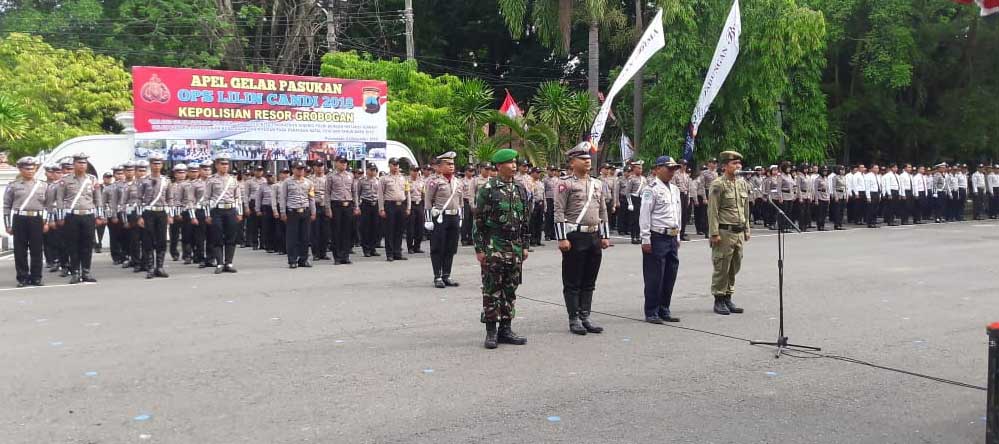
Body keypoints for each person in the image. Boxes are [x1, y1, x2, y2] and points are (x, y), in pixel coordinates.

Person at [473, 148, 530, 349]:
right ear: (499, 166)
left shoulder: (521, 189)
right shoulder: (488, 189)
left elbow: (525, 222)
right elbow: (478, 221)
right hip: (494, 246)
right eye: (509, 162)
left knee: (510, 289)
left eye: (515, 162)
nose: (514, 165)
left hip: (514, 247)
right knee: (491, 289)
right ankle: (491, 331)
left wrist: (525, 246)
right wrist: (480, 249)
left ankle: (506, 328)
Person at [554, 142, 611, 335]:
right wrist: (562, 238)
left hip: (594, 235)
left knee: (589, 278)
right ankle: (574, 318)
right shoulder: (565, 183)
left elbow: (602, 210)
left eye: (588, 159)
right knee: (573, 279)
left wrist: (605, 235)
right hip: (575, 236)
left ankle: (585, 315)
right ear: (572, 162)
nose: (588, 162)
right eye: (583, 159)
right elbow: (559, 211)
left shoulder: (597, 183)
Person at [639, 155, 683, 324]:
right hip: (657, 236)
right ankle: (651, 311)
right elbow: (644, 215)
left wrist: (678, 235)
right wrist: (645, 239)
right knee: (654, 276)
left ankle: (664, 308)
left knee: (670, 274)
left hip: (671, 236)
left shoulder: (675, 189)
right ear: (657, 169)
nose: (672, 172)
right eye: (668, 168)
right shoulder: (651, 189)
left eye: (673, 169)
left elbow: (677, 214)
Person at [707, 150, 750, 316]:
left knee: (734, 265)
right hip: (724, 231)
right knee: (722, 266)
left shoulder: (742, 183)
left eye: (739, 163)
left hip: (738, 232)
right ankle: (719, 298)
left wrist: (747, 228)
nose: (738, 166)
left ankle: (728, 296)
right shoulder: (718, 184)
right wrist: (714, 233)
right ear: (725, 166)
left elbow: (745, 208)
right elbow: (713, 210)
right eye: (734, 163)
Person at [55, 153, 105, 284]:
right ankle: (75, 272)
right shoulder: (65, 180)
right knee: (73, 245)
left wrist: (100, 215)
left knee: (87, 245)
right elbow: (60, 199)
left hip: (88, 215)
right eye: (79, 163)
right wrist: (60, 216)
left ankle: (86, 272)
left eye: (84, 163)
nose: (82, 165)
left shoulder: (92, 179)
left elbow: (98, 198)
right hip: (72, 216)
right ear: (74, 164)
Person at [5, 157, 48, 287]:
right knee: (20, 250)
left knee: (37, 250)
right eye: (27, 168)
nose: (30, 171)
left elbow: (47, 206)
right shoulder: (13, 185)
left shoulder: (43, 185)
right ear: (20, 169)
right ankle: (22, 278)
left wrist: (46, 222)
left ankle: (36, 277)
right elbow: (6, 206)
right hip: (20, 219)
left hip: (37, 219)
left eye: (32, 168)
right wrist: (8, 224)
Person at [425, 152, 464, 288]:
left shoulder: (457, 181)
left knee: (451, 247)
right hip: (440, 217)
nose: (451, 166)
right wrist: (428, 219)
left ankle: (447, 275)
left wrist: (461, 217)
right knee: (438, 247)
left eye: (453, 164)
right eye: (448, 164)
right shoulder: (433, 181)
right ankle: (438, 276)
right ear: (439, 167)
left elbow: (460, 201)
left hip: (454, 216)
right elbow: (428, 201)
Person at [204, 153, 243, 274]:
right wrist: (207, 214)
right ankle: (220, 263)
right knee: (217, 237)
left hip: (231, 210)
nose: (225, 166)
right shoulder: (211, 180)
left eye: (226, 164)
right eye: (222, 164)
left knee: (231, 237)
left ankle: (229, 263)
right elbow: (207, 198)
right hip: (217, 211)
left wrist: (239, 212)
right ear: (217, 165)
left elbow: (238, 197)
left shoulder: (233, 179)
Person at [138, 153, 171, 279]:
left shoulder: (166, 181)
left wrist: (170, 214)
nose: (156, 166)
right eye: (154, 163)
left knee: (161, 240)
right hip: (148, 212)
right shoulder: (144, 180)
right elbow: (139, 199)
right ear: (150, 165)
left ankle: (160, 267)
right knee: (148, 240)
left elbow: (170, 198)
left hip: (162, 212)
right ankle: (150, 267)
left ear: (162, 165)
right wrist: (140, 216)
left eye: (159, 163)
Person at [280, 161, 316, 268]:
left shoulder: (309, 183)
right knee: (292, 237)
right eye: (298, 168)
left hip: (305, 211)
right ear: (293, 169)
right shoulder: (287, 182)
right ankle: (292, 260)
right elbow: (283, 198)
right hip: (292, 212)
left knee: (305, 237)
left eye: (302, 169)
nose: (300, 171)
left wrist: (313, 212)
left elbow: (311, 198)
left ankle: (303, 259)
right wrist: (283, 212)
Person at [378, 158, 411, 262]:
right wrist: (381, 208)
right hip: (390, 205)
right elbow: (380, 194)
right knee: (390, 230)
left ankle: (398, 253)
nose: (396, 166)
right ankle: (390, 254)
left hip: (401, 205)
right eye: (393, 164)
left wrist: (408, 207)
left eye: (397, 164)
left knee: (399, 230)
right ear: (389, 165)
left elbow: (407, 193)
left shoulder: (403, 178)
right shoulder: (384, 179)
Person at [327, 156, 357, 264]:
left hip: (348, 204)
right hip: (336, 205)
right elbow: (327, 193)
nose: (344, 165)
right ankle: (337, 257)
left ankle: (346, 256)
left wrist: (356, 206)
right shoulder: (331, 176)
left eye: (345, 163)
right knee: (336, 232)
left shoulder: (350, 175)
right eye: (341, 163)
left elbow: (354, 192)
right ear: (336, 163)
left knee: (347, 231)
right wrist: (328, 208)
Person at [356, 163, 381, 257]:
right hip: (365, 204)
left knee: (375, 227)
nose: (373, 172)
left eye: (374, 170)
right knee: (365, 228)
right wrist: (357, 206)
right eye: (371, 169)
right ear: (367, 170)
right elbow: (357, 194)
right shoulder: (361, 181)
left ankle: (373, 248)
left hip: (375, 204)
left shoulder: (378, 181)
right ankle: (366, 249)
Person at [167, 164, 188, 263]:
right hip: (174, 211)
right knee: (174, 235)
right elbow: (169, 200)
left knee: (186, 235)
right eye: (179, 172)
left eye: (183, 172)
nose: (182, 174)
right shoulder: (171, 185)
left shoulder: (189, 185)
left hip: (185, 211)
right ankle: (174, 253)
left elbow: (189, 200)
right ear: (175, 174)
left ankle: (187, 254)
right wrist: (171, 214)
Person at [309, 162, 330, 260]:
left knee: (325, 231)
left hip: (325, 206)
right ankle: (316, 253)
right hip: (315, 206)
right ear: (314, 167)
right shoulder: (309, 179)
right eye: (317, 166)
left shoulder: (328, 179)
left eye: (321, 166)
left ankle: (324, 252)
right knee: (315, 231)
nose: (319, 168)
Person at [626, 161, 647, 244]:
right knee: (634, 219)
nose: (640, 170)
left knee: (640, 219)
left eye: (641, 168)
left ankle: (638, 236)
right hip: (634, 199)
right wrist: (630, 203)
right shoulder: (631, 179)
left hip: (642, 199)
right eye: (638, 168)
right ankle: (633, 236)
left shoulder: (644, 179)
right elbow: (627, 192)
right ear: (634, 169)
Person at [95, 172, 113, 254]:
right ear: (103, 178)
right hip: (101, 209)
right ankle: (98, 244)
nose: (108, 179)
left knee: (112, 229)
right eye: (107, 177)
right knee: (100, 229)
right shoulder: (100, 187)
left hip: (111, 210)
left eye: (110, 177)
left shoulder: (113, 187)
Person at [814, 166, 831, 231]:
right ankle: (819, 225)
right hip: (820, 197)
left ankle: (823, 225)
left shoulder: (826, 178)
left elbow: (828, 189)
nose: (825, 172)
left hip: (825, 197)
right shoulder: (817, 179)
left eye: (826, 171)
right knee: (820, 213)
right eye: (824, 171)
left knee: (824, 213)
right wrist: (816, 200)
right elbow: (815, 190)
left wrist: (828, 198)